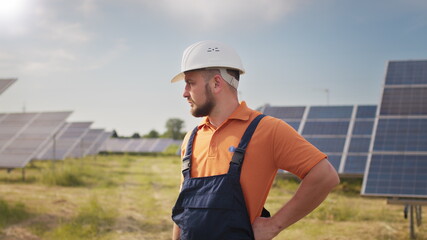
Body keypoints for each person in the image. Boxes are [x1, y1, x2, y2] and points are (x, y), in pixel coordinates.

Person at [170, 40, 340, 240]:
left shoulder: (268, 129)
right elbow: (184, 205)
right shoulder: (192, 138)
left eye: (190, 83)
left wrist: (274, 225)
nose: (184, 93)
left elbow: (325, 176)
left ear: (217, 83)